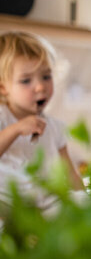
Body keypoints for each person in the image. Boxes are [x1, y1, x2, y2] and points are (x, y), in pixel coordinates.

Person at [0, 31, 83, 202]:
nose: (40, 87)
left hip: (42, 205)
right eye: (26, 81)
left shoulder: (55, 128)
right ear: (3, 88)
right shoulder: (3, 117)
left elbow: (70, 174)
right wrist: (15, 129)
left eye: (46, 76)